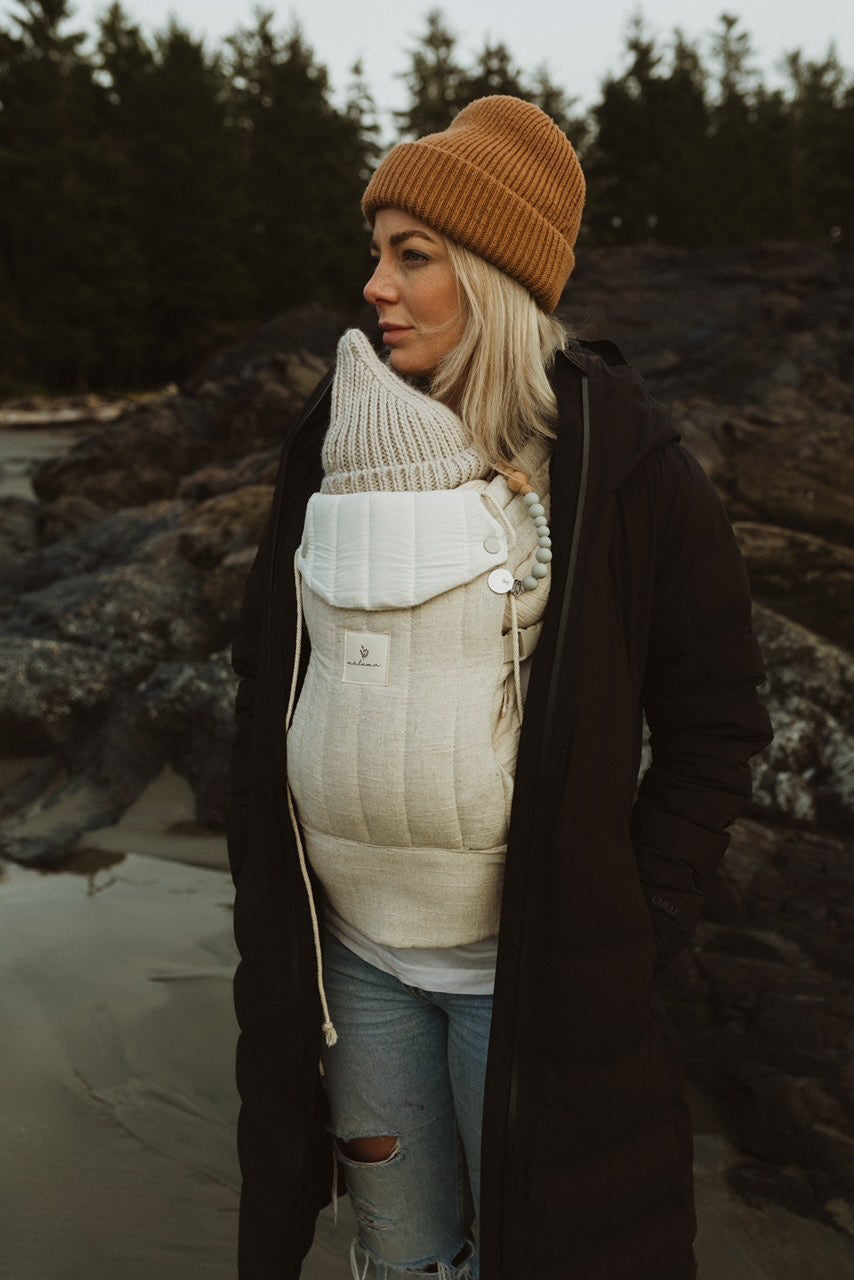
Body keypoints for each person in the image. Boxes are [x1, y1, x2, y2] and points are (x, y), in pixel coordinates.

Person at [227, 95, 773, 1280]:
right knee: (403, 1260)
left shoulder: (624, 469)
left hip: (522, 982)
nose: (374, 285)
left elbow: (716, 719)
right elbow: (265, 668)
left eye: (411, 255)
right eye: (377, 252)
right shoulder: (329, 445)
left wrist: (636, 923)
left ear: (491, 275)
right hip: (351, 967)